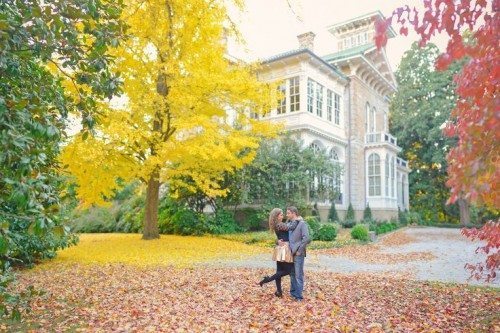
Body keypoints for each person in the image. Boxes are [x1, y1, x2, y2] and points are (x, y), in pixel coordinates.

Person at [258, 208, 297, 297]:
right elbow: (290, 227)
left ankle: (279, 292)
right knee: (289, 270)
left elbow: (282, 233)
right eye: (281, 214)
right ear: (276, 216)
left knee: (279, 270)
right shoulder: (279, 225)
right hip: (284, 248)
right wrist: (298, 220)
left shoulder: (277, 225)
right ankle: (267, 280)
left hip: (280, 248)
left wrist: (277, 241)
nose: (282, 216)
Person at [286, 206, 310, 301]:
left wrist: (300, 250)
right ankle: (293, 293)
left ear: (294, 213)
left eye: (288, 213)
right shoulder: (289, 224)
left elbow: (306, 238)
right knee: (292, 274)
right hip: (290, 253)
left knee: (298, 275)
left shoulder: (302, 224)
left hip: (298, 253)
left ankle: (299, 296)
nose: (287, 215)